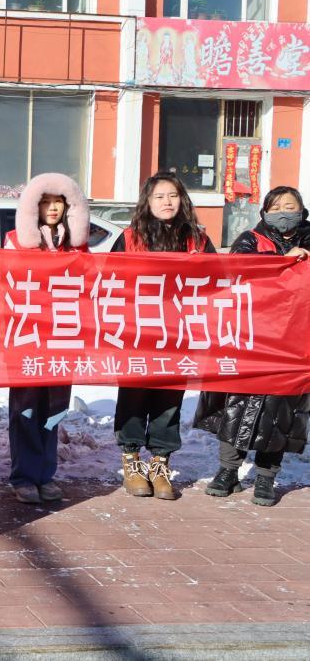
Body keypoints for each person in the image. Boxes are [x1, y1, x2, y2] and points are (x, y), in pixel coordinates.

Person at [194, 186, 310, 507]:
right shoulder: (250, 239)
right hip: (251, 338)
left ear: (302, 211)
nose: (284, 212)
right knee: (236, 404)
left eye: (290, 206)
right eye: (277, 207)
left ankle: (266, 476)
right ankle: (228, 470)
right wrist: (282, 261)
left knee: (281, 410)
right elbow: (237, 269)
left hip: (294, 343)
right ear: (265, 212)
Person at [110, 172, 215, 501]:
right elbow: (109, 281)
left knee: (169, 399)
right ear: (148, 202)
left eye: (173, 195)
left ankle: (160, 463)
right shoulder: (130, 238)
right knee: (133, 395)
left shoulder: (197, 240)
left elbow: (220, 281)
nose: (167, 202)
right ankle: (131, 461)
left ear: (182, 199)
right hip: (137, 334)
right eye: (159, 196)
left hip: (178, 335)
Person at [2, 173, 90, 505]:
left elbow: (88, 285)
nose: (53, 208)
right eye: (45, 202)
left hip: (63, 338)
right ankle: (24, 476)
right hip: (26, 336)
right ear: (32, 206)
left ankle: (45, 474)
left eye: (59, 202)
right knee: (25, 407)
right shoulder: (14, 240)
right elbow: (7, 283)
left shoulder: (76, 245)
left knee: (55, 408)